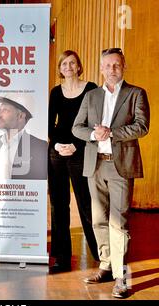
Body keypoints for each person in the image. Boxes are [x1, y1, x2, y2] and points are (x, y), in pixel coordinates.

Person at [72, 48, 150, 298]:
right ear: (101, 68)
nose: (112, 70)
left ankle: (122, 276)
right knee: (98, 219)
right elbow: (77, 127)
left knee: (120, 222)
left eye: (116, 65)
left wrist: (112, 132)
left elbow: (142, 126)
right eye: (107, 65)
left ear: (123, 66)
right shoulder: (91, 96)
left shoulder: (136, 93)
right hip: (94, 165)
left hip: (121, 166)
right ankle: (105, 265)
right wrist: (95, 134)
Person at [48, 50, 99, 273]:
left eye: (72, 63)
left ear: (79, 66)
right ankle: (61, 258)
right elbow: (50, 124)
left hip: (81, 150)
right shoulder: (56, 92)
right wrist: (57, 145)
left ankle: (101, 253)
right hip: (57, 152)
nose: (68, 66)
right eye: (64, 64)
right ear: (60, 69)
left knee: (86, 203)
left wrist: (77, 145)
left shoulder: (91, 89)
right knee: (59, 206)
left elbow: (96, 122)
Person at [0, 94, 48, 180]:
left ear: (21, 116)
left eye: (5, 110)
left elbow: (37, 186)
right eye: (0, 110)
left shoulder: (39, 146)